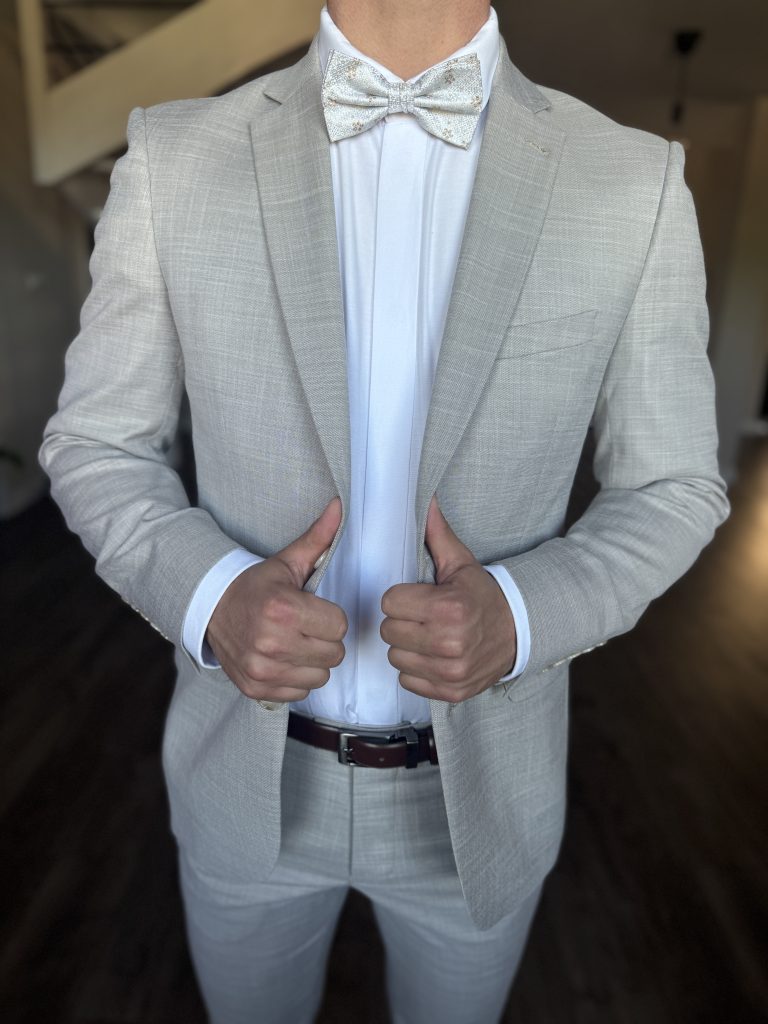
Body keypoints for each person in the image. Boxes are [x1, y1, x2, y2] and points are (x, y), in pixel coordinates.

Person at [40, 1, 730, 1021]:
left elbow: (675, 484)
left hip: (482, 794)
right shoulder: (175, 155)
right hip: (242, 775)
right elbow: (97, 442)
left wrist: (523, 615)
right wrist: (212, 596)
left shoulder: (634, 179)